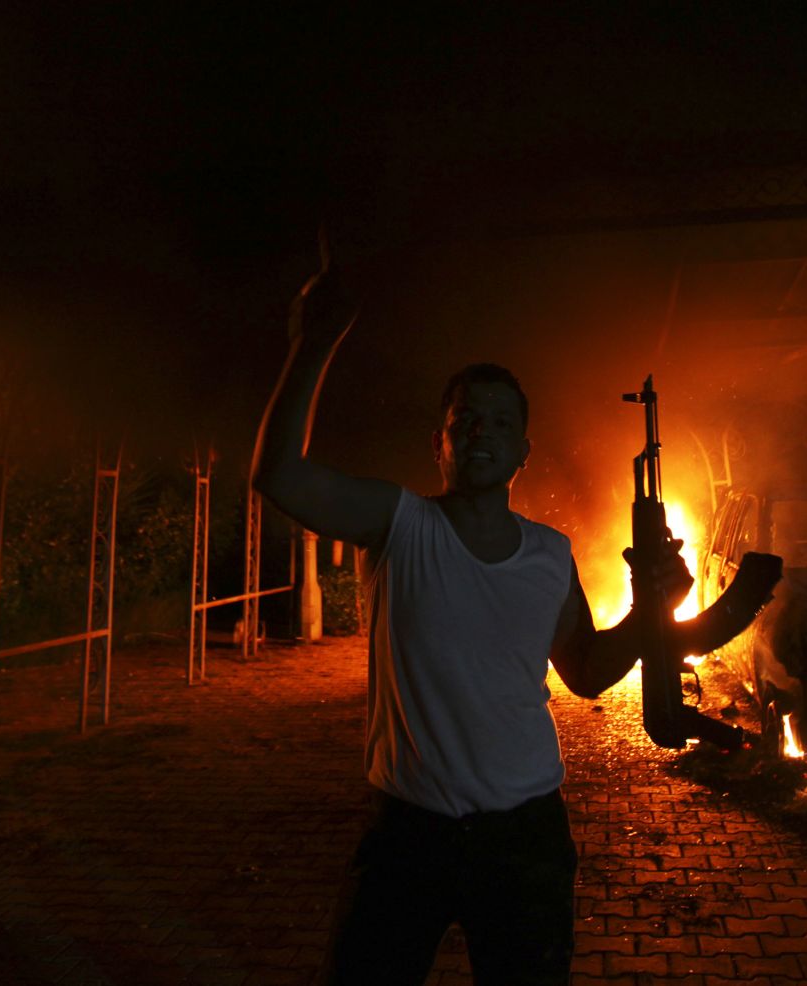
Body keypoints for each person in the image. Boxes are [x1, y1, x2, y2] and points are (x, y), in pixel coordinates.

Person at [252, 248, 691, 986]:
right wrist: (313, 345)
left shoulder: (551, 555)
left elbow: (585, 672)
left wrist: (654, 611)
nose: (480, 432)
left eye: (499, 423)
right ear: (440, 442)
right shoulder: (399, 525)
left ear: (522, 451)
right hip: (407, 834)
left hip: (525, 838)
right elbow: (280, 476)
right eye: (465, 420)